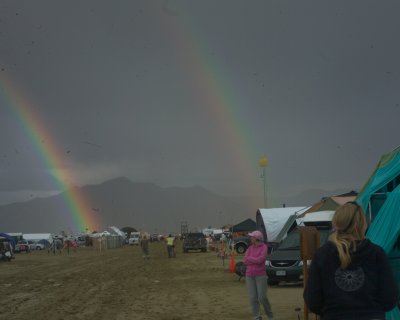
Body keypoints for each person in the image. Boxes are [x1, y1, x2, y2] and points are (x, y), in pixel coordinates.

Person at [304, 202, 399, 320]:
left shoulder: (322, 255)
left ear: (336, 223)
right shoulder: (376, 254)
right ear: (362, 225)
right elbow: (389, 298)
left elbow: (313, 300)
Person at [244, 230, 274, 320]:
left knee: (262, 297)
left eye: (252, 237)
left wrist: (250, 259)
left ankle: (270, 315)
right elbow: (245, 260)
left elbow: (260, 260)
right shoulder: (250, 248)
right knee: (253, 298)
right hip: (249, 275)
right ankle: (257, 316)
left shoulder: (264, 247)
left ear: (257, 238)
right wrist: (252, 259)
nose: (250, 238)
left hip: (260, 275)